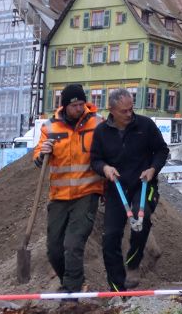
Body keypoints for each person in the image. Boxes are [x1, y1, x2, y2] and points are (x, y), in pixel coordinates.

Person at [90, 89, 169, 292]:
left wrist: (153, 169)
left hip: (143, 184)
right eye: (124, 111)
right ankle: (117, 290)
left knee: (140, 220)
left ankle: (133, 263)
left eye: (131, 109)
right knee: (110, 239)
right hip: (116, 188)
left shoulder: (145, 125)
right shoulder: (101, 132)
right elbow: (95, 160)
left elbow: (161, 150)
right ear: (112, 111)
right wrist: (105, 169)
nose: (129, 114)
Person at [36, 83, 104, 293]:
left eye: (82, 104)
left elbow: (109, 150)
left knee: (73, 244)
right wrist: (42, 153)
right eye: (75, 106)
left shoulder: (98, 124)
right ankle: (70, 284)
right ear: (65, 106)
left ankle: (72, 292)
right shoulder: (50, 127)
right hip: (59, 197)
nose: (79, 109)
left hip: (87, 193)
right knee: (54, 249)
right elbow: (38, 157)